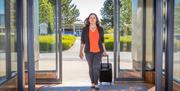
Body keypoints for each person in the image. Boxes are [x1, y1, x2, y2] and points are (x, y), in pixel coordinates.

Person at [79, 13, 108, 90]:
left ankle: (96, 83)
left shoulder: (100, 29)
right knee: (91, 68)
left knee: (96, 67)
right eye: (90, 18)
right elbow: (82, 41)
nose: (92, 19)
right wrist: (80, 51)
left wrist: (105, 51)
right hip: (88, 52)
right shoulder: (85, 29)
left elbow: (102, 41)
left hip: (99, 52)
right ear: (88, 19)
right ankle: (92, 82)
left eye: (94, 17)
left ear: (96, 19)